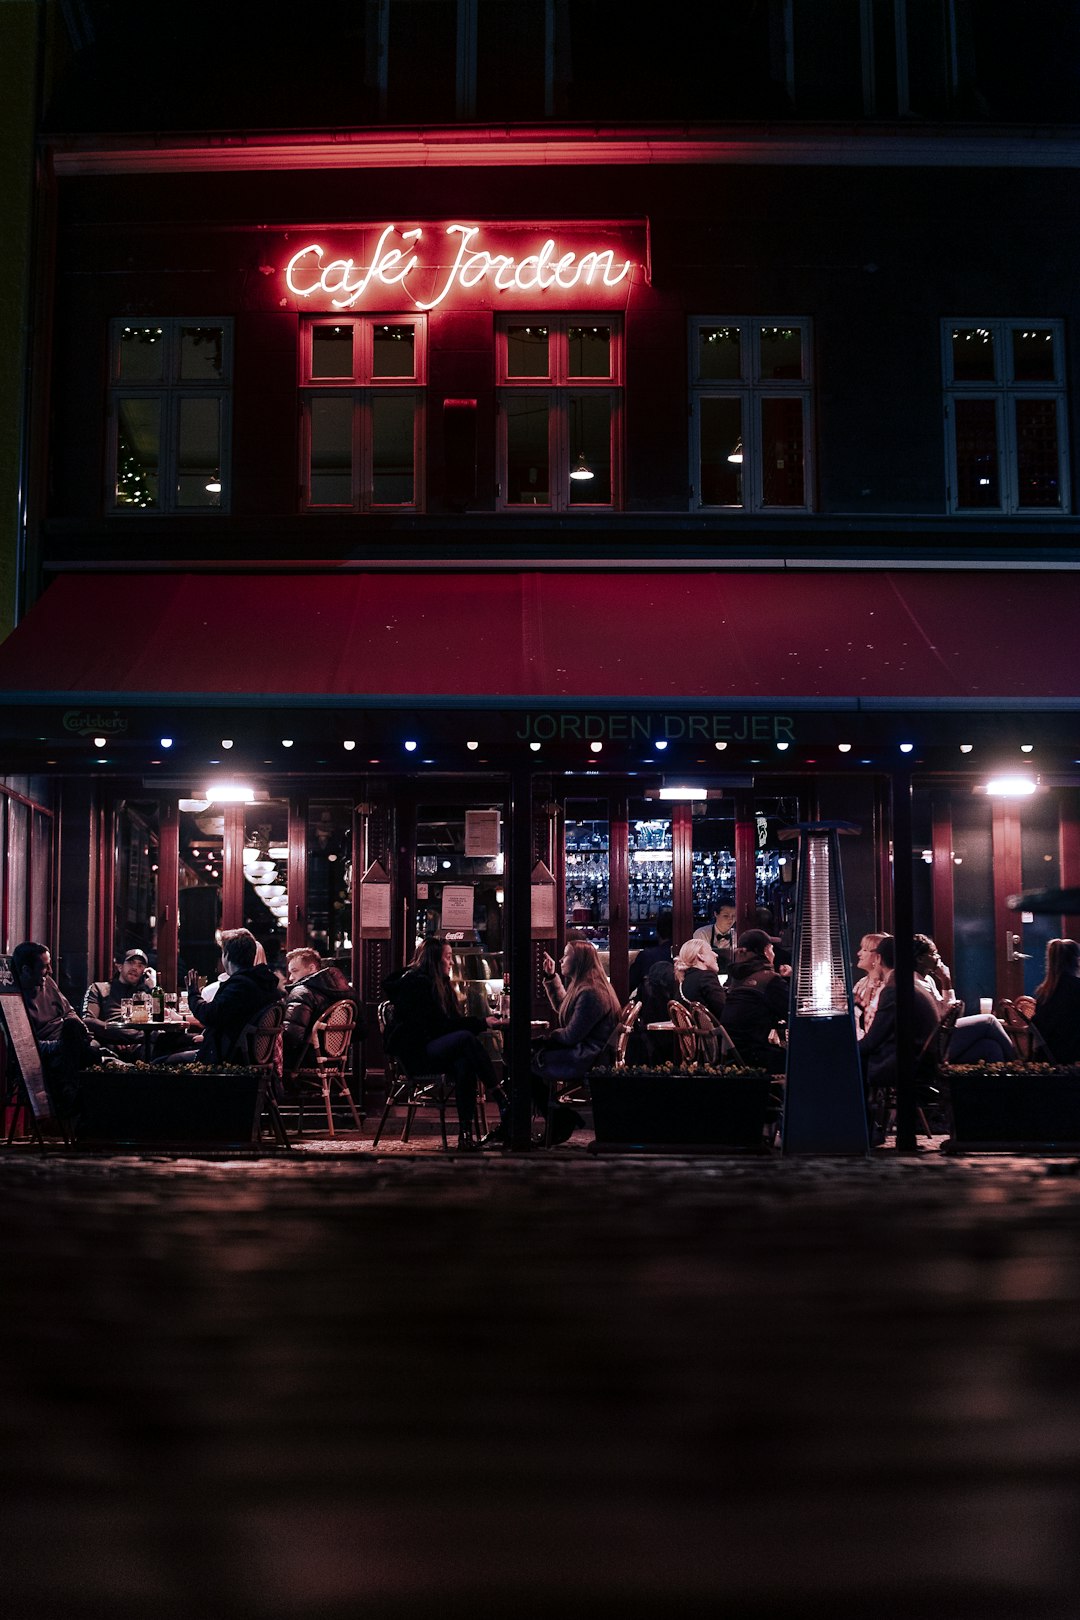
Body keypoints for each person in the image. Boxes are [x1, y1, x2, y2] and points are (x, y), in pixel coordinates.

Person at [382, 938, 507, 1152]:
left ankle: (465, 1136)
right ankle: (502, 1099)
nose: (451, 962)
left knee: (464, 1064)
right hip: (417, 1054)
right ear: (434, 960)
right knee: (467, 1039)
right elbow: (440, 1027)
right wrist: (481, 1023)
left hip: (435, 1050)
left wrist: (478, 1023)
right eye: (447, 957)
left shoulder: (441, 984)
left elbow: (449, 1025)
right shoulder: (417, 984)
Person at [536, 940, 621, 1144]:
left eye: (565, 955)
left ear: (579, 961)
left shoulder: (591, 993)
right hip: (585, 1053)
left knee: (525, 1064)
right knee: (528, 1059)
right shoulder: (586, 987)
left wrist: (547, 1038)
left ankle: (559, 1119)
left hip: (584, 1058)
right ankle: (559, 1118)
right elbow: (566, 1011)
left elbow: (571, 1035)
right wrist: (551, 976)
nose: (560, 959)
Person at [12, 941, 100, 1115]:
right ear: (26, 970)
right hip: (50, 1054)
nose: (51, 970)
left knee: (78, 1032)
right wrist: (61, 1045)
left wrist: (78, 1031)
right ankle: (73, 1102)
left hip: (69, 1044)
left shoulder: (48, 983)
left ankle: (72, 1096)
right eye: (44, 967)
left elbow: (69, 1012)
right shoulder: (14, 999)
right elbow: (28, 1045)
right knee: (92, 1057)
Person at [859, 935, 941, 1116]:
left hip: (908, 1063)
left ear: (879, 959)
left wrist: (843, 1050)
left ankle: (857, 1125)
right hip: (922, 1058)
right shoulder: (910, 983)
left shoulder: (893, 989)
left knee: (850, 1061)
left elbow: (873, 1040)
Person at [182, 927, 282, 1065]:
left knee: (160, 1060)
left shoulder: (240, 985)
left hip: (228, 1060)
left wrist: (193, 994)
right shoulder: (265, 984)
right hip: (246, 1056)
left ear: (227, 955)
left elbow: (209, 1015)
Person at [719, 927, 790, 1072]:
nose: (774, 953)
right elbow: (790, 1012)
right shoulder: (769, 980)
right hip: (754, 1056)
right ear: (765, 952)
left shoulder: (735, 979)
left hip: (731, 1054)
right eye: (771, 948)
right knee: (801, 1058)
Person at [281, 948, 356, 1069]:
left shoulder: (302, 992)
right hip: (339, 1059)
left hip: (306, 1059)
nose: (290, 978)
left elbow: (291, 1038)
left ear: (311, 968)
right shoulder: (347, 991)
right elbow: (361, 1031)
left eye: (294, 971)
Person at [81, 947, 159, 1055]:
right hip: (108, 1042)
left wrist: (153, 988)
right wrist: (116, 1036)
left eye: (140, 965)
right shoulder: (99, 988)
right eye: (131, 963)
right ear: (120, 966)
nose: (135, 968)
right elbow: (88, 1021)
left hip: (139, 1046)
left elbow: (160, 1018)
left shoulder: (144, 994)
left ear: (144, 972)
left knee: (163, 1043)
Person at [1025, 937, 1080, 1062]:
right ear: (1077, 961)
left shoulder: (1044, 991)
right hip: (1071, 1057)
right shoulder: (1076, 988)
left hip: (1047, 1057)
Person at [673, 937, 727, 1021]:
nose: (716, 955)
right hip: (714, 1033)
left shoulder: (684, 981)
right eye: (711, 951)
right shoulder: (706, 977)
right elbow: (724, 1012)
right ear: (700, 956)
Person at [629, 909, 674, 995]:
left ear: (657, 932)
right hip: (677, 1007)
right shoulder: (685, 955)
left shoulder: (647, 955)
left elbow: (627, 986)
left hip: (650, 1007)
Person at [853, 932, 887, 1038]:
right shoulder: (861, 983)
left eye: (864, 950)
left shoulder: (886, 987)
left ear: (877, 956)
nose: (859, 953)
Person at [692, 894, 737, 971]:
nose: (730, 919)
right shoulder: (702, 933)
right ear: (716, 914)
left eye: (733, 916)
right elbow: (701, 962)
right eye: (726, 916)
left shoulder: (737, 935)